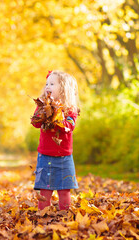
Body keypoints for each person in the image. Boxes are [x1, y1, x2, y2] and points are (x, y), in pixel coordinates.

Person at [31, 70, 80, 211]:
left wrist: (56, 115)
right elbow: (35, 123)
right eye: (47, 84)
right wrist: (43, 112)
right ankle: (43, 214)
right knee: (45, 190)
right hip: (45, 155)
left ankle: (64, 214)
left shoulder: (70, 109)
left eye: (52, 84)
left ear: (63, 89)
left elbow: (69, 126)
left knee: (64, 189)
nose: (47, 86)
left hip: (64, 156)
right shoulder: (42, 106)